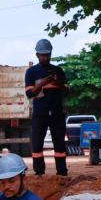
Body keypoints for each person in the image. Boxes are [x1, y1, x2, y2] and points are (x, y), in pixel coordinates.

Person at [24, 39, 70, 176]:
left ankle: (62, 172)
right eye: (42, 55)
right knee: (37, 144)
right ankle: (39, 173)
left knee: (59, 144)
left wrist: (57, 82)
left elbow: (67, 91)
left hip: (57, 113)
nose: (45, 57)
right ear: (37, 55)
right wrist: (42, 84)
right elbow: (29, 93)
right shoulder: (31, 72)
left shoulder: (58, 70)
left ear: (51, 54)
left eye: (47, 55)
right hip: (40, 113)